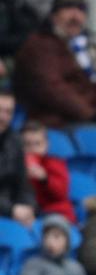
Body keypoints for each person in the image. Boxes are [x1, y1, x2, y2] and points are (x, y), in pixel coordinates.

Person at [14, 0, 96, 129]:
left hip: (92, 120)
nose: (75, 15)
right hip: (56, 123)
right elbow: (53, 90)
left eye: (80, 9)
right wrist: (91, 115)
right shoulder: (39, 45)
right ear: (54, 14)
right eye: (68, 8)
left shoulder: (89, 46)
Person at [17, 213, 95, 275]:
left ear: (67, 241)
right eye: (47, 236)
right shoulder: (34, 263)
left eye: (56, 237)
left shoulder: (75, 267)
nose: (50, 241)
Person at [21, 121, 76, 223]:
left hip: (57, 215)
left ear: (46, 144)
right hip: (30, 215)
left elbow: (61, 193)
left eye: (37, 144)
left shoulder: (54, 164)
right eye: (27, 144)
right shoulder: (17, 167)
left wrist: (45, 179)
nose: (32, 149)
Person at [0, 88, 35, 227]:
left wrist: (28, 207)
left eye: (8, 112)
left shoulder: (15, 141)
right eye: (0, 110)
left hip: (12, 210)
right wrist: (11, 210)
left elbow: (23, 183)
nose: (3, 117)